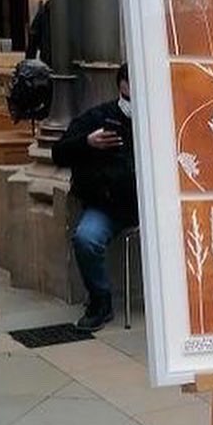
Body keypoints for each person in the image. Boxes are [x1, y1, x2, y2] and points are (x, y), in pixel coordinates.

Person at [52, 63, 137, 332]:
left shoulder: (162, 115)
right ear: (122, 85)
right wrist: (87, 142)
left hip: (157, 207)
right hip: (110, 207)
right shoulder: (98, 117)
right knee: (86, 238)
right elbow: (59, 153)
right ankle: (100, 301)